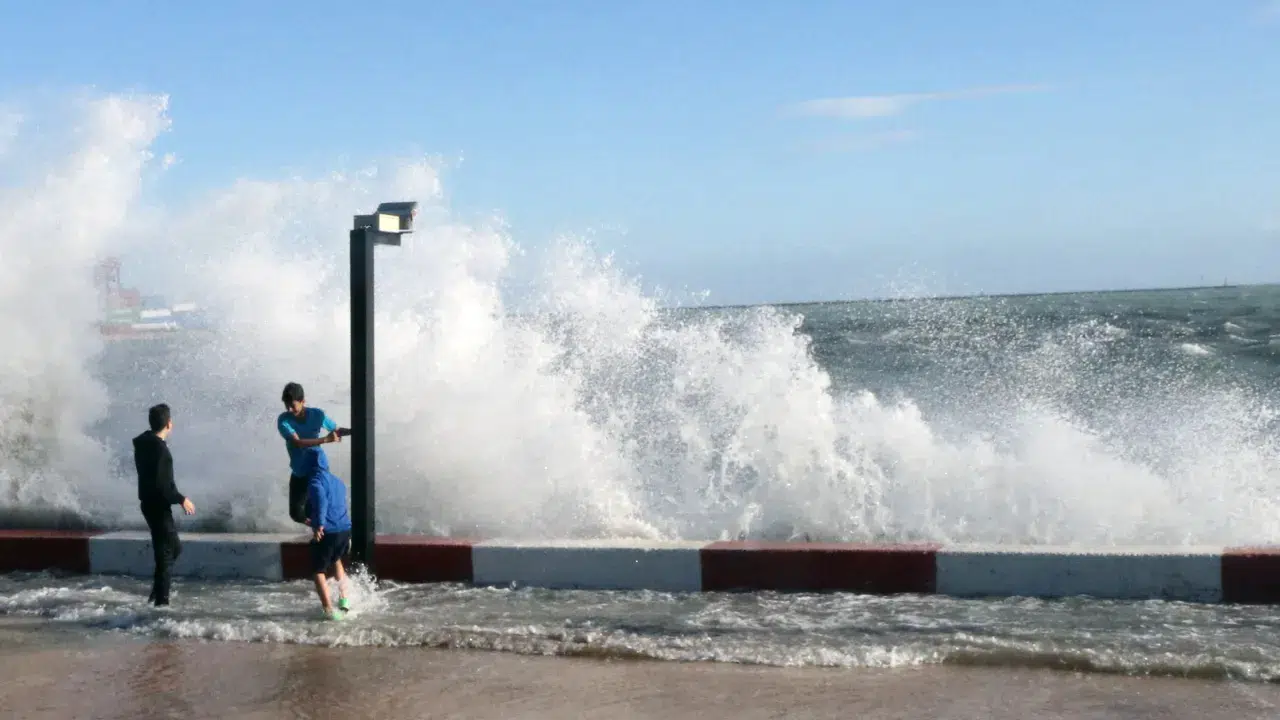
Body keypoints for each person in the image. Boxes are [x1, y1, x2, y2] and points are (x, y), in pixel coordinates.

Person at [132, 403, 195, 607]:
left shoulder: (144, 443)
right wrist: (182, 499)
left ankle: (157, 592)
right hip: (158, 507)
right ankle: (161, 602)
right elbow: (163, 486)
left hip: (148, 504)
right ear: (169, 424)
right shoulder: (161, 451)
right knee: (168, 552)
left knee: (170, 549)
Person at [277, 382, 349, 525]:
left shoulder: (317, 415)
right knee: (297, 514)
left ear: (303, 401)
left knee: (317, 506)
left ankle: (328, 529)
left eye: (293, 405)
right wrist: (325, 439)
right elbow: (298, 442)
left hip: (317, 467)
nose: (289, 409)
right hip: (299, 470)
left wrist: (356, 430)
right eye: (287, 405)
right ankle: (319, 526)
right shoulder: (284, 420)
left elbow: (337, 430)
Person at [301, 446, 353, 620]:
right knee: (336, 559)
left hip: (328, 531)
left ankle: (329, 610)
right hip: (344, 529)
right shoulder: (337, 481)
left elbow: (321, 501)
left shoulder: (315, 482)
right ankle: (344, 600)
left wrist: (319, 525)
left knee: (318, 570)